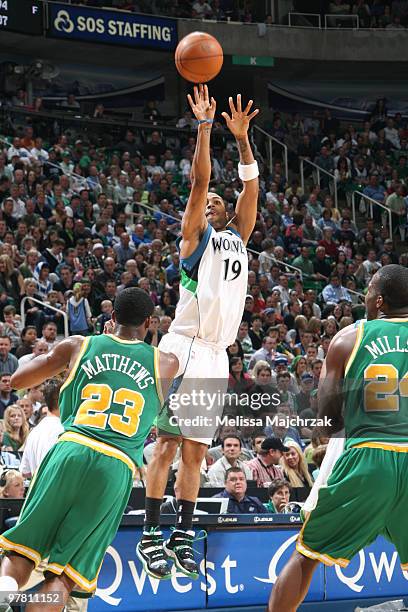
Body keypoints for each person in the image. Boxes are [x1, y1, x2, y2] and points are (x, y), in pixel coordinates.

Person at [138, 86, 259, 579]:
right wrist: (206, 129)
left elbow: (250, 189)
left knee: (195, 451)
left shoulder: (239, 236)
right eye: (204, 200)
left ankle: (183, 534)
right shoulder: (195, 239)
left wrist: (244, 141)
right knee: (167, 444)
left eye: (216, 200)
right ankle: (150, 534)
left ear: (226, 211)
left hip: (214, 355)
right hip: (183, 347)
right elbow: (198, 180)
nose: (209, 201)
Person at [0, 287, 178, 606]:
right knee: (64, 576)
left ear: (111, 318)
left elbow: (18, 381)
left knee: (22, 552)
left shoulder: (79, 345)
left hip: (71, 447)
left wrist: (93, 345)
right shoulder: (166, 363)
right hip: (116, 464)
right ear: (150, 322)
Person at [268, 264, 408, 611]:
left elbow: (328, 419)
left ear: (378, 302)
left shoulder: (349, 338)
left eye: (369, 291)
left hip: (370, 455)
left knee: (307, 553)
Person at [19, 379, 64, 479]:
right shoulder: (62, 430)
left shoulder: (35, 431)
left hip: (37, 491)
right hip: (53, 491)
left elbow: (25, 472)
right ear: (64, 399)